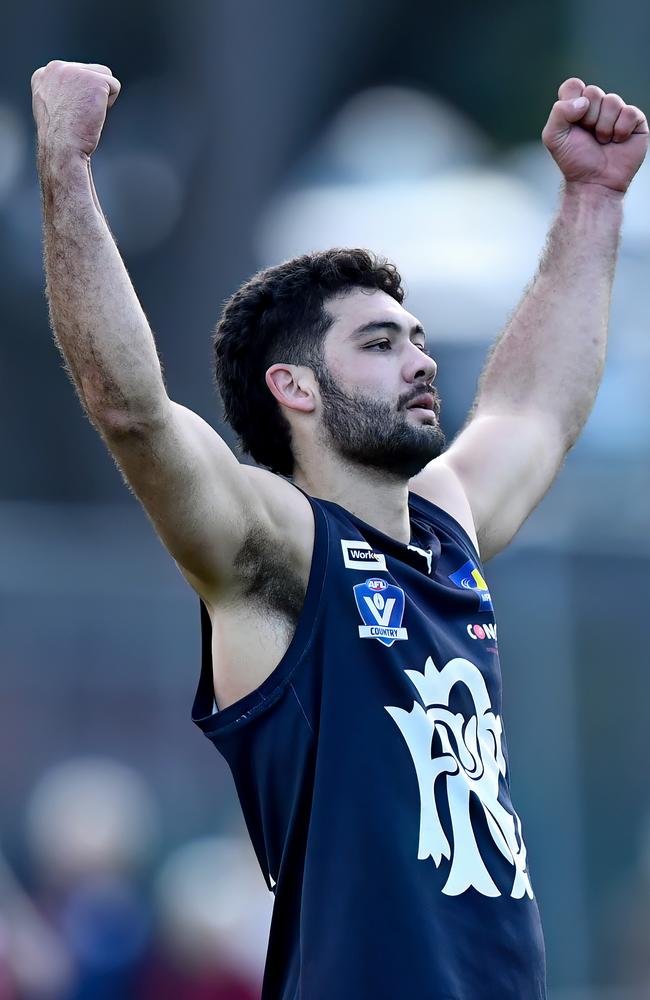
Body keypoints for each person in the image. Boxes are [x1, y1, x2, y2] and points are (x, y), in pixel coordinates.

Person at [31, 60, 647, 999]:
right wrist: (66, 169)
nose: (420, 360)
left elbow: (533, 409)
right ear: (295, 388)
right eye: (379, 343)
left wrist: (594, 200)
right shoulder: (281, 550)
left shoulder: (443, 539)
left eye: (417, 338)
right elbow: (133, 412)